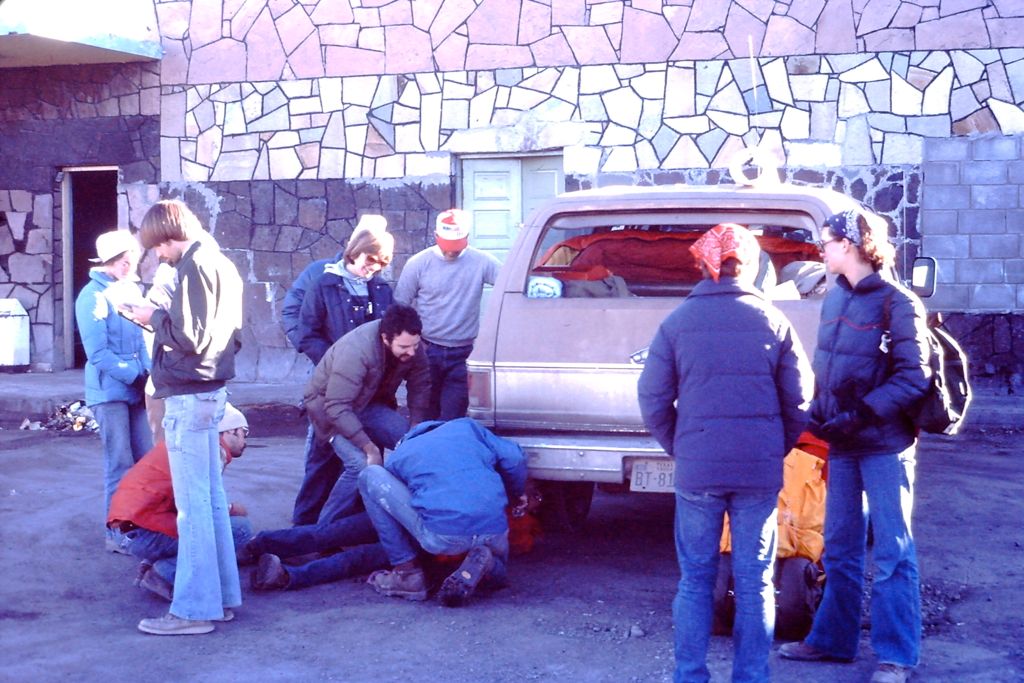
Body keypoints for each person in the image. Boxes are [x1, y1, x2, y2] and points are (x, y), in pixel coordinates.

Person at [637, 223, 813, 683]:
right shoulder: (773, 320)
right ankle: (751, 677)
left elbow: (652, 397)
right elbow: (800, 401)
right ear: (751, 264)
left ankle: (689, 675)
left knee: (695, 580)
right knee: (756, 583)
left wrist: (680, 445)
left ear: (702, 264)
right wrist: (774, 447)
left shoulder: (676, 322)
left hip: (698, 468)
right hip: (758, 471)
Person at [778, 210, 931, 683]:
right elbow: (831, 367)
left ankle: (896, 656)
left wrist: (862, 414)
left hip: (883, 445)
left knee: (892, 552)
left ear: (851, 244)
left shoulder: (898, 302)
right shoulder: (836, 296)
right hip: (841, 442)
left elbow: (915, 376)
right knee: (840, 548)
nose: (820, 250)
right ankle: (832, 640)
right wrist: (819, 414)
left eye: (826, 241)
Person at [126, 199, 244, 636]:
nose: (158, 255)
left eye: (158, 247)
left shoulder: (194, 265)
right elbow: (230, 334)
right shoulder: (222, 264)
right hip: (210, 390)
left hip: (188, 394)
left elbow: (187, 335)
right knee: (210, 502)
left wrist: (150, 316)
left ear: (170, 236)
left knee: (192, 509)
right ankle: (221, 598)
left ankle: (193, 610)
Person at [290, 215, 395, 525]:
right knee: (322, 460)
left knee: (371, 454)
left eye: (380, 263)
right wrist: (336, 366)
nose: (373, 267)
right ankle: (304, 528)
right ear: (355, 250)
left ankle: (354, 525)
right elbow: (306, 333)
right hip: (330, 389)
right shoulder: (324, 282)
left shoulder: (382, 289)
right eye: (370, 259)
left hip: (372, 391)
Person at [358, 417, 528, 607]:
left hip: (445, 535)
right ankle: (489, 564)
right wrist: (518, 492)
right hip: (495, 528)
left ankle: (407, 575)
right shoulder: (468, 427)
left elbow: (398, 506)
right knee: (498, 565)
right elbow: (515, 458)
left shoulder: (400, 455)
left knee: (369, 476)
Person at [108, 403, 254, 602]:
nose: (245, 441)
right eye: (244, 434)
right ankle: (164, 573)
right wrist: (230, 510)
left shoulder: (186, 441)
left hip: (132, 529)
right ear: (233, 430)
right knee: (240, 529)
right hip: (143, 532)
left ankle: (155, 563)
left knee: (214, 526)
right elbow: (197, 502)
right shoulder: (211, 451)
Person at [302, 304, 431, 526]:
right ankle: (323, 531)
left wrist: (416, 426)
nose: (411, 352)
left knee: (412, 444)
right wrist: (369, 448)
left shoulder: (412, 346)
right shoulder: (356, 350)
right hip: (329, 410)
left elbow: (421, 384)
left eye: (415, 345)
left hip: (369, 405)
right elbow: (336, 407)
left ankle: (404, 517)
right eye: (404, 347)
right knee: (361, 464)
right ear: (385, 338)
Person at [74, 229, 154, 554]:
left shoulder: (129, 289)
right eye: (123, 260)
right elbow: (98, 354)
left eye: (131, 259)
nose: (130, 264)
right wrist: (135, 375)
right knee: (119, 463)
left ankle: (143, 526)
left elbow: (142, 337)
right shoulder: (91, 296)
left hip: (136, 388)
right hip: (109, 394)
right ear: (108, 262)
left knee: (146, 461)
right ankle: (117, 533)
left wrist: (150, 373)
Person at [394, 208, 500, 421]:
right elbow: (400, 307)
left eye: (456, 246)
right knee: (424, 413)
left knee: (453, 416)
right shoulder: (418, 263)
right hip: (426, 350)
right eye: (447, 246)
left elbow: (510, 285)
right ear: (435, 236)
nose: (451, 252)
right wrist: (409, 346)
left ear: (467, 238)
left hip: (462, 353)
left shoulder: (482, 262)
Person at [242, 511, 387, 592]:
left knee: (358, 557)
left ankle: (284, 576)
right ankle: (255, 546)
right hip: (393, 511)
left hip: (408, 535)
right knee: (331, 532)